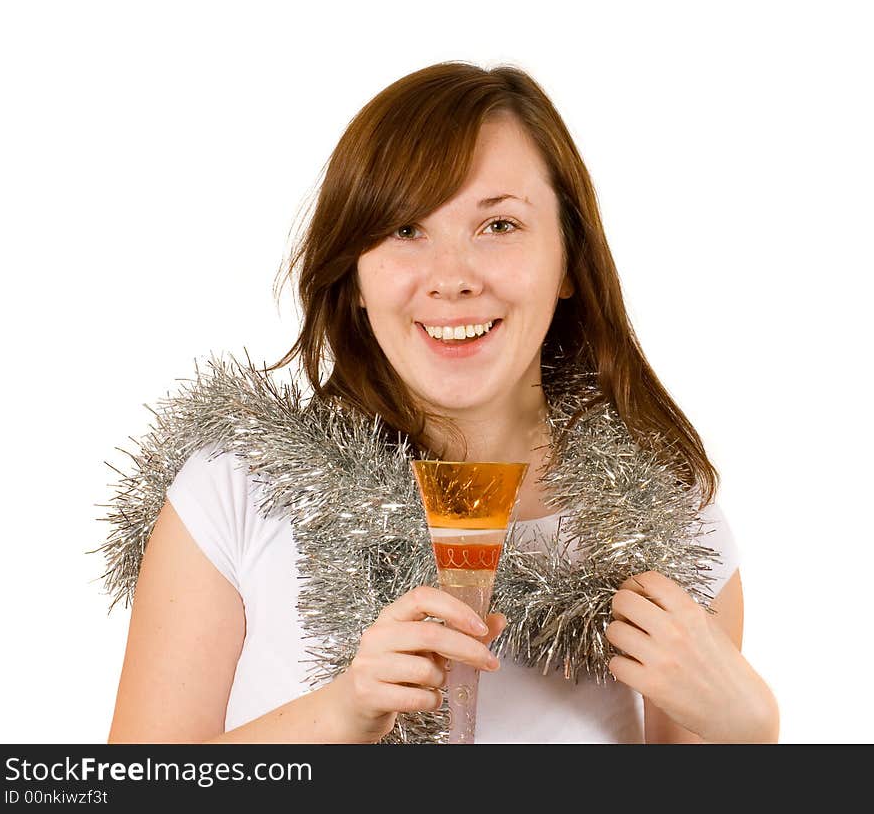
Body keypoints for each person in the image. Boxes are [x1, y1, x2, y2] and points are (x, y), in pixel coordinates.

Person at [107, 61, 779, 744]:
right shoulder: (234, 490)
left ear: (570, 260)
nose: (452, 278)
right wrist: (339, 714)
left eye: (499, 226)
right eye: (405, 229)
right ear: (356, 277)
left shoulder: (664, 523)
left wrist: (747, 733)